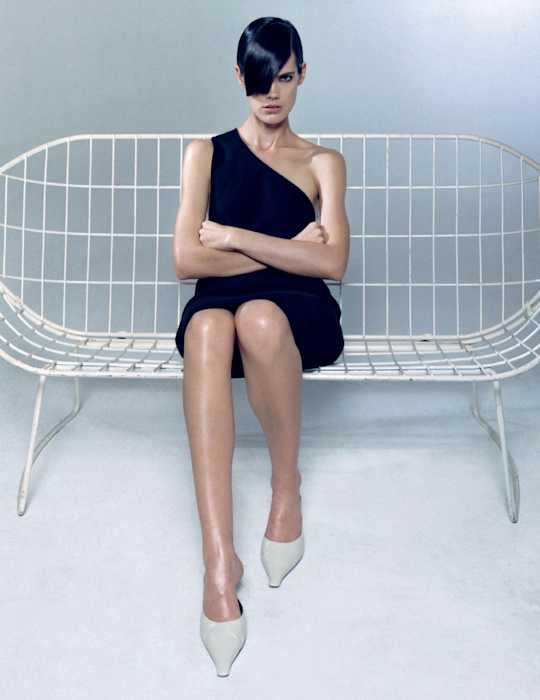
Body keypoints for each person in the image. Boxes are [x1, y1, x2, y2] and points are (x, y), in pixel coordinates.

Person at [172, 16, 350, 676]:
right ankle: (219, 561)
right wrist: (285, 248)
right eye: (256, 79)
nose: (270, 93)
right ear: (238, 77)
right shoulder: (206, 153)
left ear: (303, 75)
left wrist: (233, 237)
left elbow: (332, 264)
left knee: (261, 318)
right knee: (208, 326)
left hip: (297, 312)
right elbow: (187, 259)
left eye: (283, 77)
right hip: (219, 303)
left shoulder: (323, 162)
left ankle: (285, 488)